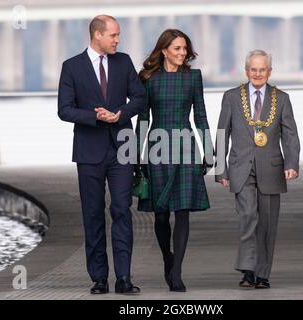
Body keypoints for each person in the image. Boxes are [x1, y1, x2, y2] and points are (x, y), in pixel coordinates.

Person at [57, 15, 145, 295]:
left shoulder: (124, 61)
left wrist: (119, 114)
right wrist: (96, 117)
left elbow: (140, 98)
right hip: (89, 151)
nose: (118, 40)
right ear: (97, 35)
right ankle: (98, 278)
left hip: (121, 148)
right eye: (113, 35)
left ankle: (124, 278)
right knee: (92, 214)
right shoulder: (71, 67)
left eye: (118, 35)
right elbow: (64, 109)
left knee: (122, 210)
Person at [135, 29, 213, 292]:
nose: (182, 53)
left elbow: (200, 116)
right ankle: (167, 259)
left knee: (182, 211)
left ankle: (177, 271)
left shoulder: (193, 77)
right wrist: (136, 155)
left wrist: (209, 151)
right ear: (164, 50)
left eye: (184, 49)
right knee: (160, 214)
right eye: (177, 48)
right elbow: (143, 120)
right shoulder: (148, 78)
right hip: (157, 148)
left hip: (186, 146)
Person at [215, 49, 300, 289]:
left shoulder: (281, 98)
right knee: (248, 216)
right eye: (253, 69)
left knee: (267, 223)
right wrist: (221, 170)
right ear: (246, 71)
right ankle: (248, 270)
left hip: (271, 169)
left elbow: (290, 135)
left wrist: (292, 164)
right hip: (241, 169)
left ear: (269, 72)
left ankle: (263, 274)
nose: (258, 74)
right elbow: (223, 134)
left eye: (262, 69)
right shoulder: (231, 96)